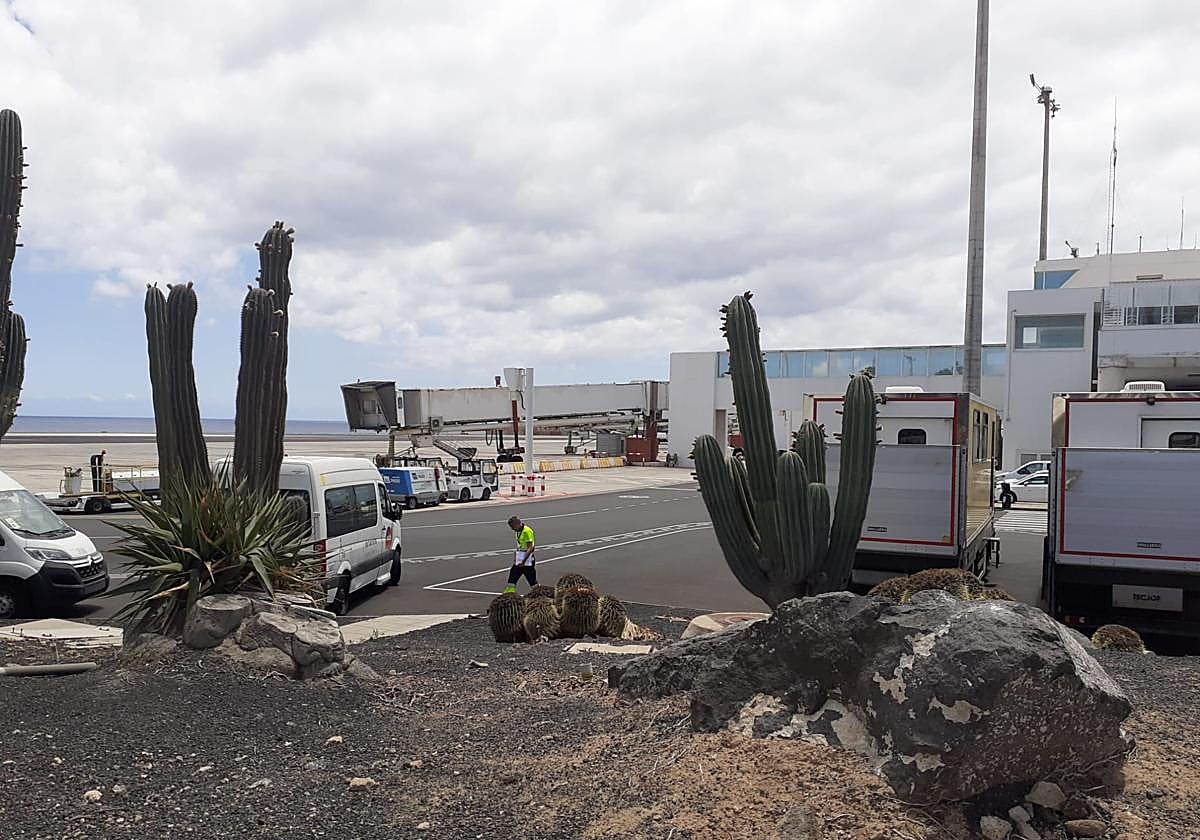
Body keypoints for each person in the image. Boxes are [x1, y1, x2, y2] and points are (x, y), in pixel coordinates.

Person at [503, 515, 536, 593]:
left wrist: (523, 561)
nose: (512, 529)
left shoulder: (526, 531)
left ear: (518, 524)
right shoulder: (518, 531)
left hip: (527, 560)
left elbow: (530, 548)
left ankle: (539, 594)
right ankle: (509, 593)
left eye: (513, 527)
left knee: (531, 580)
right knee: (513, 576)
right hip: (520, 558)